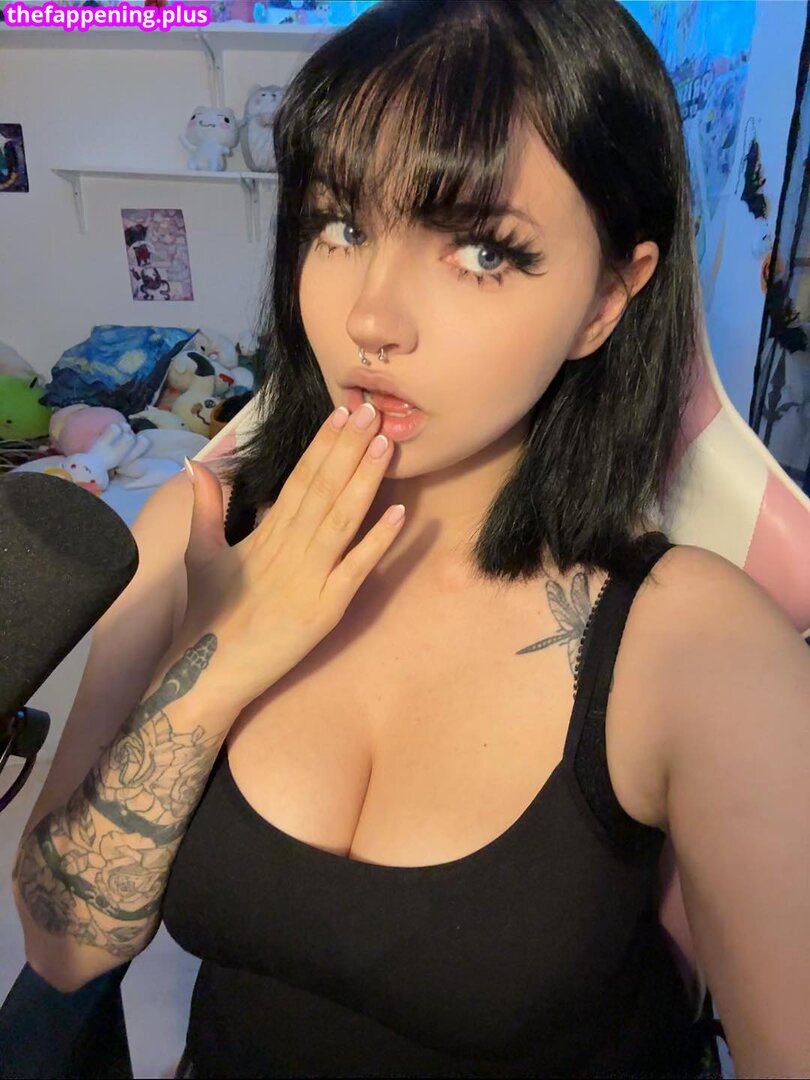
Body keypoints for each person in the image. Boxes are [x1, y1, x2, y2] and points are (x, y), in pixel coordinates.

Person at [11, 1, 810, 1076]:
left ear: (606, 301)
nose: (371, 318)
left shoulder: (700, 644)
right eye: (340, 226)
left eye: (482, 250)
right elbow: (59, 952)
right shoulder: (198, 528)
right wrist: (215, 663)